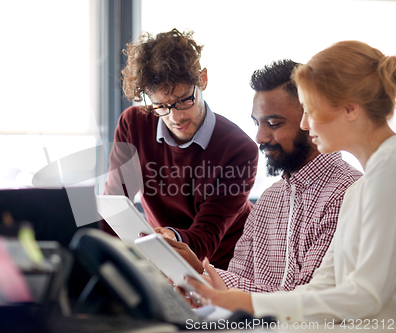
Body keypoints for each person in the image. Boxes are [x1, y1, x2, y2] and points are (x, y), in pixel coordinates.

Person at [187, 40, 396, 321]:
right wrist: (232, 298)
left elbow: (365, 296)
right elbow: (322, 286)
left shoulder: (387, 172)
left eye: (311, 109)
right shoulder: (360, 190)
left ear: (350, 109)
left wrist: (250, 303)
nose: (306, 125)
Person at [167, 59, 362, 293]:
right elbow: (240, 283)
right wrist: (198, 278)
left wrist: (201, 272)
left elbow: (308, 302)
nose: (259, 137)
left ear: (312, 118)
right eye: (257, 123)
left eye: (273, 123)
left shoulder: (348, 193)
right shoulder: (268, 201)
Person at [104, 29, 259, 269]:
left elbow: (205, 238)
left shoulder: (239, 149)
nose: (176, 117)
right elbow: (115, 204)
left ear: (203, 80)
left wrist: (168, 238)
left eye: (184, 100)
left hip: (228, 265)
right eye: (161, 106)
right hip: (165, 254)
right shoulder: (133, 124)